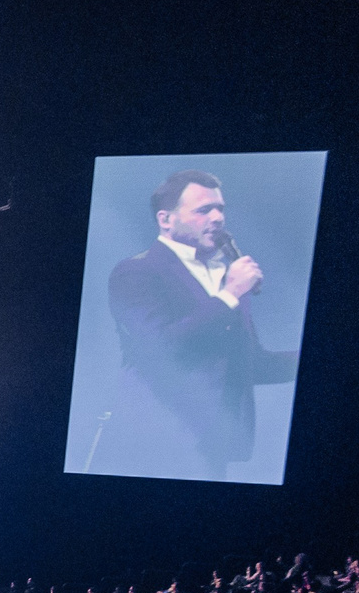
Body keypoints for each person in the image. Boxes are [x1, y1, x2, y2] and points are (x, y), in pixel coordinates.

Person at [102, 168, 299, 480]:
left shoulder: (224, 276)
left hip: (212, 443)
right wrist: (231, 293)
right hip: (155, 439)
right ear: (166, 219)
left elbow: (250, 362)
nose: (218, 218)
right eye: (204, 209)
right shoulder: (136, 272)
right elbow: (162, 349)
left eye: (220, 209)